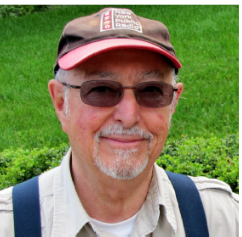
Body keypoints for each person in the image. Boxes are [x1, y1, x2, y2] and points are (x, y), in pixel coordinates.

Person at [0, 7, 238, 237]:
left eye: (152, 90)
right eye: (101, 89)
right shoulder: (9, 225)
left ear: (173, 103)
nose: (129, 115)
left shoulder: (221, 219)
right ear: (61, 103)